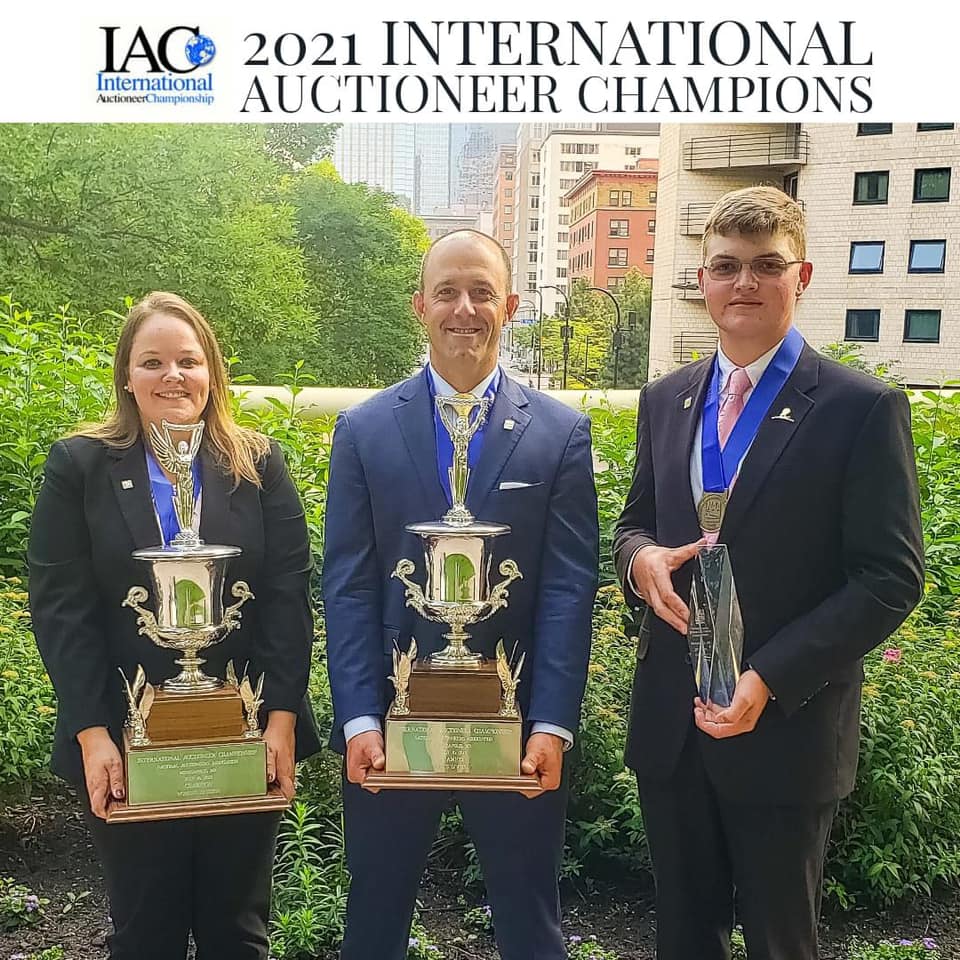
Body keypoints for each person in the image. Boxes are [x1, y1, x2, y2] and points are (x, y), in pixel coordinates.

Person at [613, 187, 924, 960]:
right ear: (702, 282)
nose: (743, 283)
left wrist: (769, 679)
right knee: (684, 937)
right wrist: (640, 560)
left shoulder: (859, 407)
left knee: (782, 942)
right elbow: (633, 524)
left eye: (765, 266)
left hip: (784, 726)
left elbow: (891, 576)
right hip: (673, 723)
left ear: (803, 275)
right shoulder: (667, 400)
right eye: (725, 266)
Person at [323, 230, 598, 960]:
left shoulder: (562, 433)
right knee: (374, 918)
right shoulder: (363, 430)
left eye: (481, 292)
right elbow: (347, 585)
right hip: (392, 722)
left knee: (530, 918)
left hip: (515, 725)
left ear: (508, 306)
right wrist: (357, 718)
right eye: (446, 291)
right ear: (421, 305)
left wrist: (552, 724)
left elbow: (570, 589)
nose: (464, 308)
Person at [28, 291, 321, 960]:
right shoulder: (77, 466)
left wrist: (278, 721)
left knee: (238, 932)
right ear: (126, 376)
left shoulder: (257, 463)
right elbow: (61, 608)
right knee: (144, 931)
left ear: (211, 371)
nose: (172, 377)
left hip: (242, 733)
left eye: (188, 361)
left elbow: (286, 598)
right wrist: (92, 735)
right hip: (126, 743)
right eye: (152, 361)